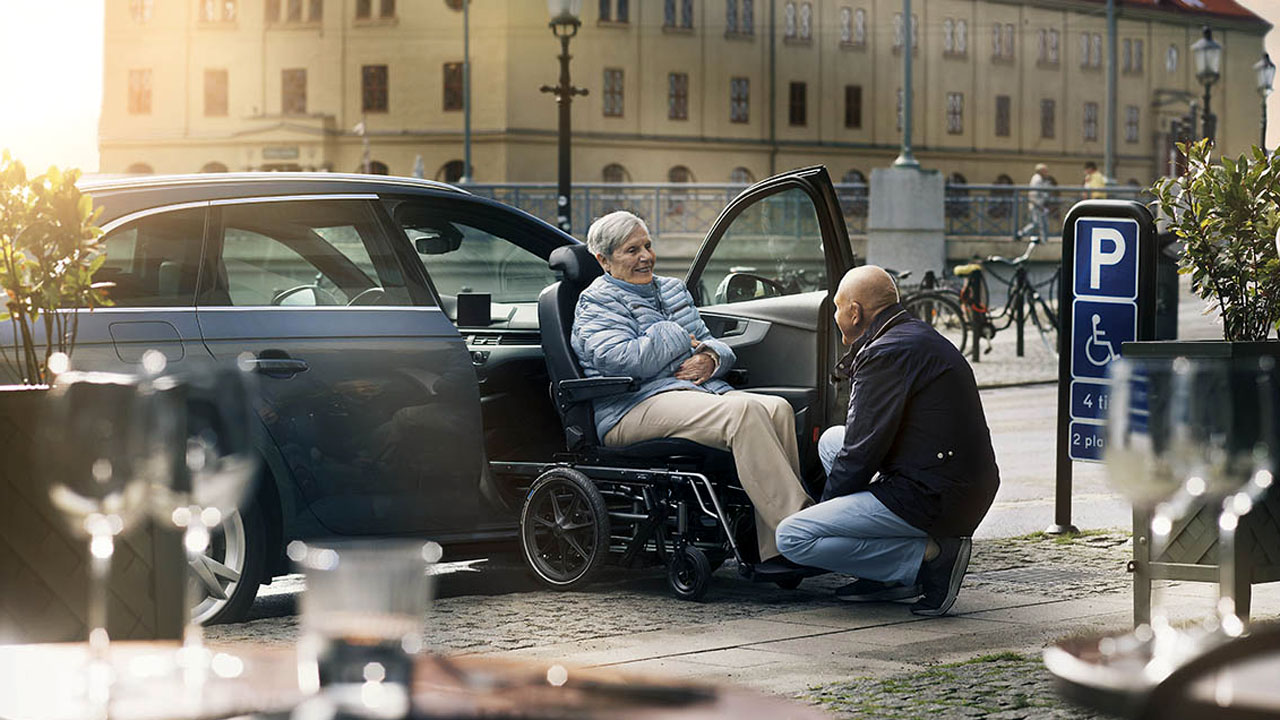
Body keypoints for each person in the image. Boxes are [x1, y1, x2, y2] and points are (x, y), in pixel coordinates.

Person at [571, 210, 814, 566]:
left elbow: (708, 343)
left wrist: (711, 359)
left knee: (777, 407)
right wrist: (672, 336)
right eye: (631, 250)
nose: (645, 257)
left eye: (648, 246)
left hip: (690, 393)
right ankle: (803, 533)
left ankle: (776, 546)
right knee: (743, 412)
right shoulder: (596, 301)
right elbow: (620, 360)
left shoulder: (671, 290)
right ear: (603, 260)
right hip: (629, 406)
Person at [775, 266, 1000, 616]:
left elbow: (861, 453)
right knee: (832, 439)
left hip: (934, 495)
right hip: (957, 482)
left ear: (855, 312)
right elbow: (860, 445)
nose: (835, 316)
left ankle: (932, 557)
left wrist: (825, 514)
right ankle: (887, 576)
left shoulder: (885, 353)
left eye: (837, 307)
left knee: (793, 537)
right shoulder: (910, 334)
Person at [1017, 163, 1052, 243]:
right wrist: (1039, 205)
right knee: (1038, 223)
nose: (1047, 173)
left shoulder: (1039, 178)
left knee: (1039, 223)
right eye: (1045, 171)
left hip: (1037, 204)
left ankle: (1042, 239)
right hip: (1036, 205)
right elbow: (1036, 193)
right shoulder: (1037, 179)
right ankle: (1021, 233)